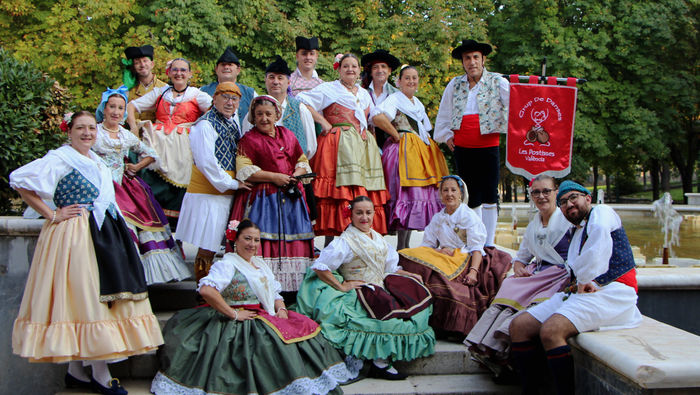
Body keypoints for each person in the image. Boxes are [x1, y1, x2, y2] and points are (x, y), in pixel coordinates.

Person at [10, 111, 163, 395]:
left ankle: (76, 370)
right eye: (80, 128)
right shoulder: (59, 158)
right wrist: (52, 214)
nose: (87, 133)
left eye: (92, 128)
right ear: (69, 131)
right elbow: (19, 180)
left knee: (97, 299)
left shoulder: (97, 160)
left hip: (106, 233)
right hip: (75, 235)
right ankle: (100, 372)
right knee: (87, 298)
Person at [151, 219, 358, 395]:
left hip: (264, 313)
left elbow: (273, 292)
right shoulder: (227, 264)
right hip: (236, 318)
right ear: (235, 240)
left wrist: (282, 308)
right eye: (247, 239)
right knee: (266, 346)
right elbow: (206, 291)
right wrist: (233, 314)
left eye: (256, 240)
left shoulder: (259, 263)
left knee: (303, 330)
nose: (252, 244)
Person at [509, 180, 642, 395]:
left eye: (573, 198)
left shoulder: (602, 212)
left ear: (587, 198)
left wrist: (586, 278)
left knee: (551, 331)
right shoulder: (578, 230)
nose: (569, 204)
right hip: (584, 294)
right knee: (519, 325)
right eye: (563, 202)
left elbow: (599, 239)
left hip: (614, 292)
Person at [296, 196, 436, 380]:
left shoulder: (377, 237)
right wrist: (342, 285)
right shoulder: (346, 240)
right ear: (351, 215)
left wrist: (409, 275)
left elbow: (389, 267)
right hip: (361, 292)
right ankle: (380, 363)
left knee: (415, 301)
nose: (364, 217)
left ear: (374, 214)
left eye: (368, 213)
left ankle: (382, 360)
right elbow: (321, 266)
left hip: (380, 286)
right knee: (385, 321)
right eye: (359, 213)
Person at [465, 175, 571, 380]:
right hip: (537, 274)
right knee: (510, 285)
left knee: (530, 303)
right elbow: (522, 258)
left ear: (556, 192)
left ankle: (505, 354)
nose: (541, 196)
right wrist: (520, 267)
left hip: (558, 275)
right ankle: (489, 349)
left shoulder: (566, 220)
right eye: (536, 192)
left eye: (546, 191)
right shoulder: (534, 224)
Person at [92, 86, 191, 285]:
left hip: (123, 185)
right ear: (104, 109)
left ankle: (133, 274)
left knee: (135, 224)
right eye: (112, 107)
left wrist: (135, 166)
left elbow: (152, 154)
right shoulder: (94, 132)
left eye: (120, 108)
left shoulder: (125, 135)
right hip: (99, 184)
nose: (116, 112)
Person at [398, 175, 512, 336]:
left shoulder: (468, 216)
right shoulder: (438, 217)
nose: (449, 194)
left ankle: (453, 322)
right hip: (443, 257)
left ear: (460, 193)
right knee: (405, 255)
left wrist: (473, 271)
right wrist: (438, 252)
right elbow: (427, 246)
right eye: (445, 190)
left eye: (453, 190)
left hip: (465, 257)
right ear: (440, 194)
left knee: (442, 282)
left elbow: (476, 248)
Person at [297, 53, 389, 240]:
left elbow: (372, 117)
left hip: (362, 147)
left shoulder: (364, 93)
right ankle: (332, 244)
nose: (350, 69)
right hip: (337, 145)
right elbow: (301, 100)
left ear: (358, 70)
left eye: (354, 66)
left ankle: (359, 241)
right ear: (338, 69)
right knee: (337, 193)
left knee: (360, 191)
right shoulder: (328, 89)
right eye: (346, 66)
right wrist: (323, 121)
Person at [229, 95, 314, 295]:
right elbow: (245, 170)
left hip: (291, 198)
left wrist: (295, 175)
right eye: (259, 114)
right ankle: (264, 288)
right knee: (264, 238)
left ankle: (292, 290)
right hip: (263, 200)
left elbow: (302, 160)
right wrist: (275, 177)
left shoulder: (288, 135)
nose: (264, 118)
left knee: (294, 238)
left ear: (277, 114)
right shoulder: (249, 140)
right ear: (253, 117)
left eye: (268, 114)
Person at [434, 39, 509, 249]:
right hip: (463, 146)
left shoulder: (498, 81)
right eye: (467, 58)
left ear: (483, 59)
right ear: (463, 62)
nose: (472, 62)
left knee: (490, 192)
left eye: (476, 57)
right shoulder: (455, 84)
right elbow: (445, 112)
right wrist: (446, 135)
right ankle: (475, 242)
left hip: (488, 144)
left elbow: (513, 106)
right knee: (469, 193)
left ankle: (489, 242)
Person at [175, 82, 251, 282]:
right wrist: (233, 183)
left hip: (225, 192)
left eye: (234, 98)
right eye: (225, 97)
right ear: (214, 99)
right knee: (207, 245)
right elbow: (206, 163)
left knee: (222, 242)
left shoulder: (232, 121)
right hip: (209, 194)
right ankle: (203, 290)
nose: (229, 102)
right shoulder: (205, 124)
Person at [126, 58, 212, 228]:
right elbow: (131, 106)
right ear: (169, 73)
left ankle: (177, 230)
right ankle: (149, 221)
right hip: (158, 141)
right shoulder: (161, 92)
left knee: (181, 183)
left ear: (189, 74)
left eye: (182, 70)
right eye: (175, 70)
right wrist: (134, 127)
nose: (179, 73)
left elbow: (213, 110)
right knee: (149, 176)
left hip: (182, 144)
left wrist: (200, 127)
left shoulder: (196, 94)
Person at [370, 65, 449, 249]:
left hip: (421, 153)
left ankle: (406, 247)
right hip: (404, 153)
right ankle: (400, 247)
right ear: (399, 82)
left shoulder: (417, 103)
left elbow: (426, 129)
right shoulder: (394, 99)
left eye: (414, 78)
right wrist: (396, 134)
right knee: (405, 195)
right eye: (407, 78)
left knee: (417, 196)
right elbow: (377, 117)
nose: (411, 81)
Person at [242, 55, 317, 159]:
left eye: (280, 78)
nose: (276, 82)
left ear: (288, 82)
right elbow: (245, 141)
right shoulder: (255, 109)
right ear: (266, 80)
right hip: (263, 171)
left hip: (295, 170)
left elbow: (311, 147)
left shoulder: (300, 109)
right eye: (271, 77)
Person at [200, 47, 257, 123]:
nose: (226, 67)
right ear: (216, 69)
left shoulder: (250, 94)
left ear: (238, 70)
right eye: (223, 65)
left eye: (230, 65)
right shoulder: (202, 91)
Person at [361, 49, 399, 148]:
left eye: (383, 66)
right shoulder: (361, 92)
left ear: (389, 71)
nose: (380, 70)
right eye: (375, 67)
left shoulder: (397, 94)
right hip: (364, 141)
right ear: (371, 72)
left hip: (391, 143)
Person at [122, 45, 168, 125]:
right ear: (133, 67)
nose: (142, 65)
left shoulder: (165, 89)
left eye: (145, 61)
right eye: (137, 62)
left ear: (152, 64)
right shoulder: (125, 90)